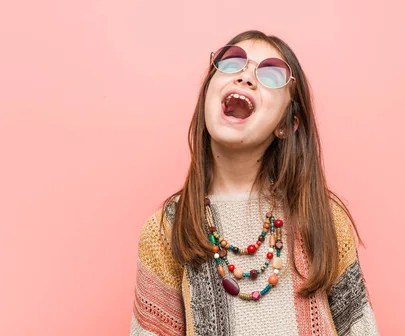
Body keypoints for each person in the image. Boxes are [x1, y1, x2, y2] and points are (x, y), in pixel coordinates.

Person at [130, 30, 379, 335]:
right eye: (232, 63)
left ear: (287, 124)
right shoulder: (166, 230)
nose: (246, 77)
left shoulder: (323, 218)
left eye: (271, 75)